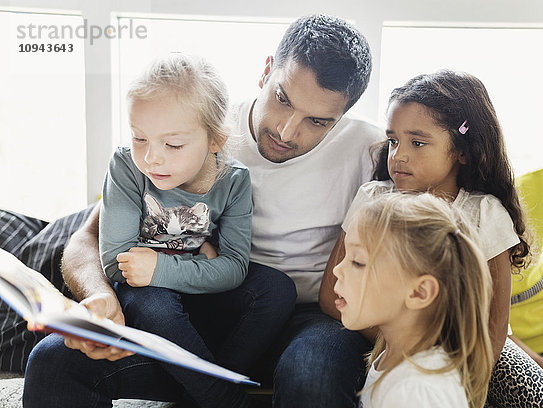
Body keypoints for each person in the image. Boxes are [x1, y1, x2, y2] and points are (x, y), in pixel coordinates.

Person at [19, 14, 383, 408]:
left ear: (342, 115)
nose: (287, 131)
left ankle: (207, 390)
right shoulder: (196, 129)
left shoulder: (370, 151)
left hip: (307, 320)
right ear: (266, 71)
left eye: (317, 121)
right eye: (283, 99)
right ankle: (211, 391)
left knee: (314, 373)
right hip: (188, 309)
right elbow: (88, 238)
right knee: (52, 361)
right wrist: (100, 297)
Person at [320, 69, 543, 407]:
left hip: (470, 354)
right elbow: (329, 294)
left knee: (538, 391)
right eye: (393, 140)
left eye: (418, 142)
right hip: (392, 342)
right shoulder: (372, 199)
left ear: (462, 151)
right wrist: (401, 342)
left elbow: (494, 332)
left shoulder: (484, 213)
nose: (399, 155)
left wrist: (432, 355)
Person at [97, 53, 294, 406]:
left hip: (188, 284)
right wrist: (202, 263)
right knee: (154, 305)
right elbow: (117, 264)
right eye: (140, 137)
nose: (152, 157)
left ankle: (198, 390)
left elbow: (235, 267)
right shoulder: (126, 167)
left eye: (172, 144)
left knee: (277, 289)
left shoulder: (233, 180)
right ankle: (221, 397)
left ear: (215, 141)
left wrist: (161, 267)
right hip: (147, 295)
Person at [334, 193, 494, 408]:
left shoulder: (415, 392)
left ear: (419, 292)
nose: (337, 270)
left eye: (358, 262)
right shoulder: (390, 358)